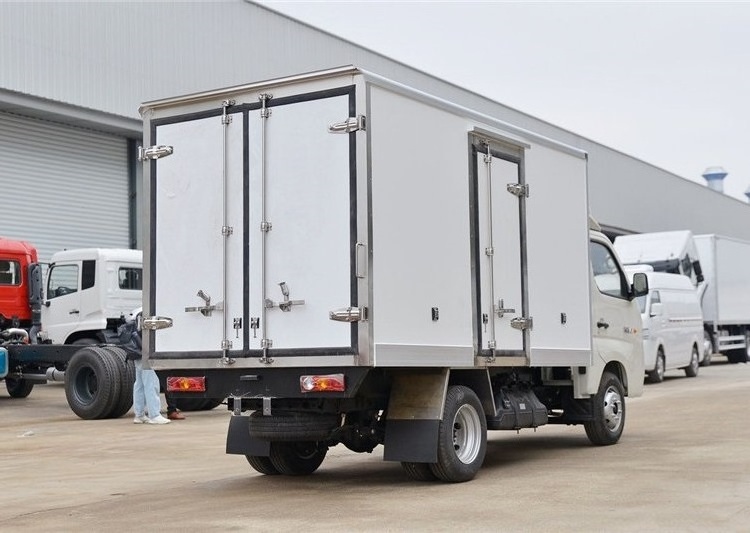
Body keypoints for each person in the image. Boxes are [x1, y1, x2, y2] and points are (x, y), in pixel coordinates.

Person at [133, 359, 170, 424]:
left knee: (140, 384)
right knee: (151, 382)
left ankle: (139, 415)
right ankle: (154, 415)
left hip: (138, 355)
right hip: (145, 355)